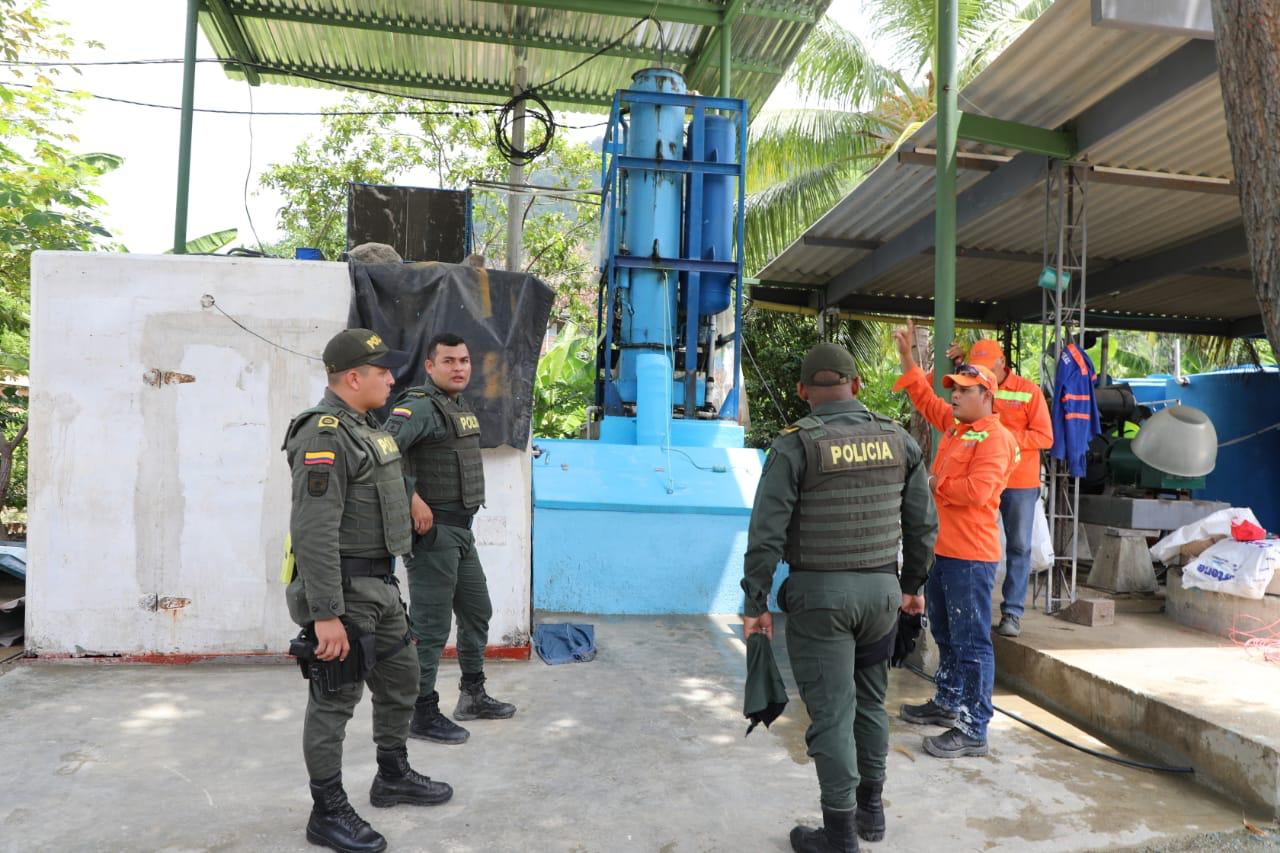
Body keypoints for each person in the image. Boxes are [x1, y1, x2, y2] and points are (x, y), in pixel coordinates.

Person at [742, 342, 939, 853]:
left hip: (821, 601)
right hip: (881, 598)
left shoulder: (795, 446)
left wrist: (755, 603)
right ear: (856, 386)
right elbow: (923, 526)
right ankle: (872, 813)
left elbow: (765, 534)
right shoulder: (898, 440)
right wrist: (912, 589)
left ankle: (840, 837)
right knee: (871, 701)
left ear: (804, 390)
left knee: (832, 712)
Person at [283, 328, 453, 853]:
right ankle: (326, 809)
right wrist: (325, 614)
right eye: (381, 371)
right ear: (352, 377)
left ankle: (392, 773)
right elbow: (312, 529)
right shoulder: (324, 433)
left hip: (380, 584)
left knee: (401, 680)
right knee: (335, 701)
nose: (390, 377)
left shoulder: (367, 428)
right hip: (345, 590)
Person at [892, 321, 1020, 759]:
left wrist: (932, 481)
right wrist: (909, 357)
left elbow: (979, 492)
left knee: (971, 643)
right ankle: (947, 703)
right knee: (945, 632)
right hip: (944, 552)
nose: (955, 396)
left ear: (987, 395)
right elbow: (924, 397)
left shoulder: (995, 438)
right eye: (955, 389)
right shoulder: (956, 427)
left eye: (964, 390)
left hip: (971, 557)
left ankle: (973, 726)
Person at [384, 332, 516, 746]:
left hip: (460, 532)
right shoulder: (418, 407)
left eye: (464, 360)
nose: (459, 367)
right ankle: (421, 712)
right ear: (430, 366)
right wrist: (411, 498)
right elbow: (383, 452)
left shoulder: (454, 406)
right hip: (433, 535)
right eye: (449, 361)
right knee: (431, 626)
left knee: (478, 611)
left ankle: (472, 695)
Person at [943, 339, 1052, 637]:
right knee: (974, 543)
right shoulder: (973, 385)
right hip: (983, 481)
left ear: (1001, 363)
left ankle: (1012, 614)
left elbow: (1045, 437)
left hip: (1019, 482)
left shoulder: (1029, 391)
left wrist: (1003, 437)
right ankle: (974, 609)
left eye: (984, 367)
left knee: (1018, 547)